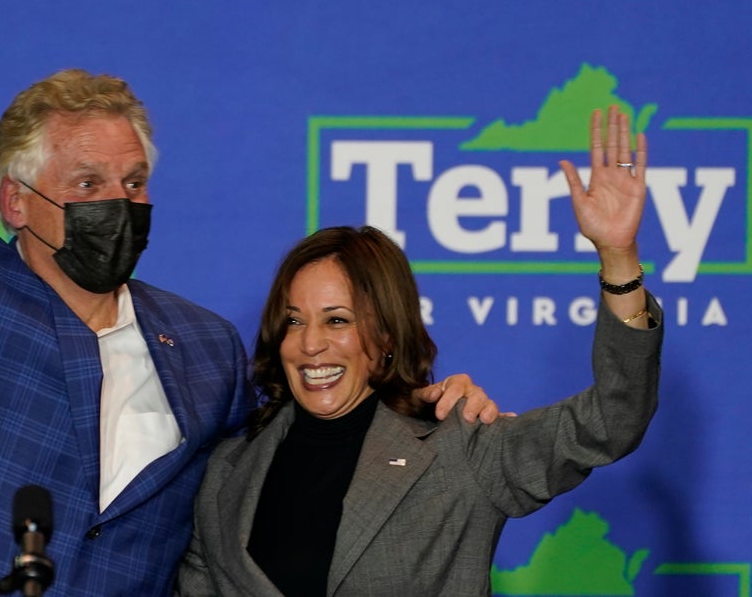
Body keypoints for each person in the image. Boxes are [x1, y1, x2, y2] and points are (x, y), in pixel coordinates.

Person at [0, 0, 498, 596]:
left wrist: (419, 409)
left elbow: (306, 437)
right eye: (88, 184)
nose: (118, 203)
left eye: (133, 183)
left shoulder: (205, 345)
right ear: (16, 202)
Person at [176, 106, 662, 596]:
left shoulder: (461, 449)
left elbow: (612, 419)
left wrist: (618, 257)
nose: (310, 344)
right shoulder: (227, 472)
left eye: (337, 320)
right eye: (294, 321)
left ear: (386, 337)